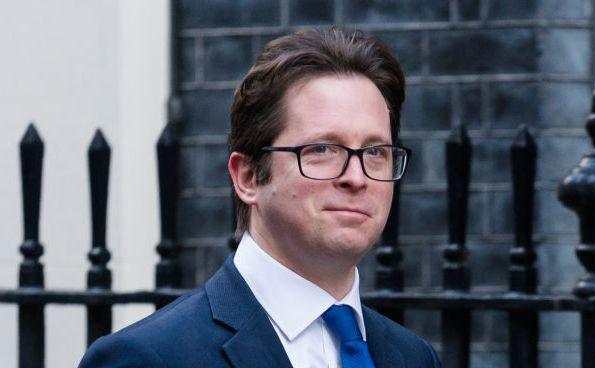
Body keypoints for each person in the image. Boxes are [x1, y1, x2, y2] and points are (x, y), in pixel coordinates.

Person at [79, 27, 441, 368]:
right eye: (322, 149)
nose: (356, 177)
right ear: (248, 177)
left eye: (375, 152)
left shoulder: (414, 357)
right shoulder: (148, 358)